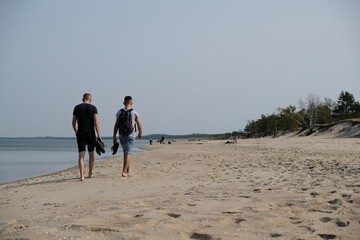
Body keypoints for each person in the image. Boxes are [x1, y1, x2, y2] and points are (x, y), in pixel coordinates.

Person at [72, 93, 101, 181]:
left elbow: (73, 122)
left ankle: (82, 176)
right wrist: (99, 135)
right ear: (90, 99)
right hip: (91, 133)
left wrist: (76, 130)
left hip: (80, 133)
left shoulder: (77, 107)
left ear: (82, 99)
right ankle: (90, 173)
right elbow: (96, 122)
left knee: (81, 155)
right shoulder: (93, 108)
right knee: (91, 153)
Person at [113, 96, 142, 177]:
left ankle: (128, 169)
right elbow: (139, 125)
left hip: (122, 135)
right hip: (131, 135)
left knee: (126, 152)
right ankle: (124, 171)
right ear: (131, 103)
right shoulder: (135, 112)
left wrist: (114, 136)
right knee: (128, 152)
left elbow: (116, 125)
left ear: (123, 103)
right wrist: (140, 132)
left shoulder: (119, 112)